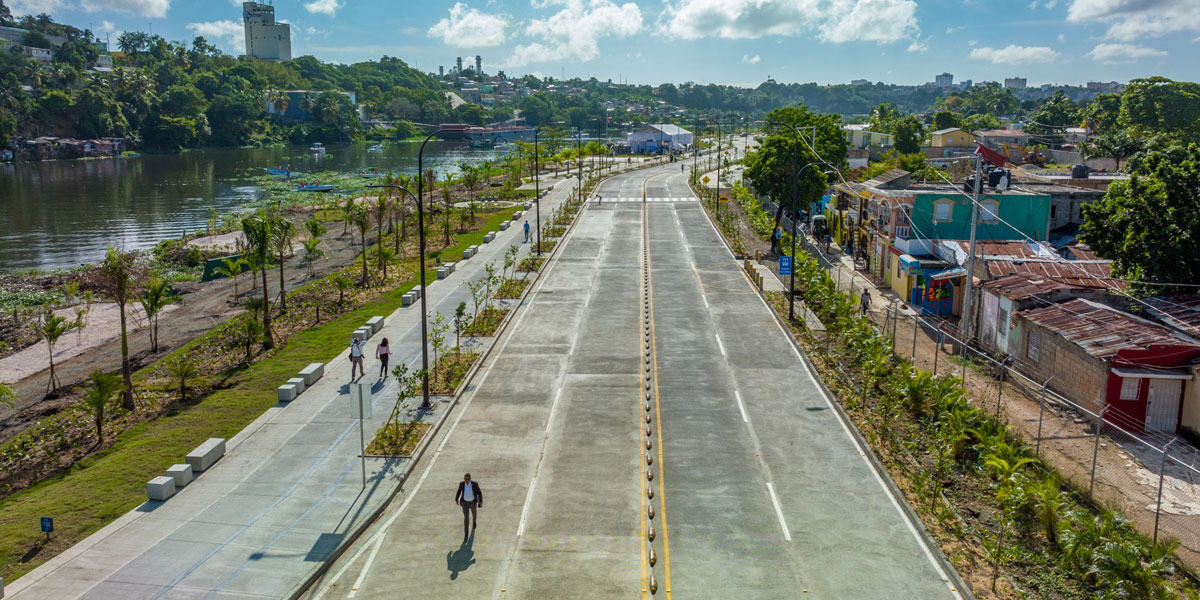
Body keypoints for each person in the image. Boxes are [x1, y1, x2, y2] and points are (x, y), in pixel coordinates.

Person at [455, 473, 483, 538]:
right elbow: (459, 491)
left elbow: (479, 493)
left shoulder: (475, 484)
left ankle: (474, 521)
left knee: (474, 513)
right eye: (465, 479)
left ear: (470, 479)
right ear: (464, 479)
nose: (467, 480)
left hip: (473, 502)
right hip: (464, 503)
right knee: (466, 517)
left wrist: (480, 502)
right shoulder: (462, 484)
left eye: (468, 479)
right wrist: (456, 499)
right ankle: (466, 533)